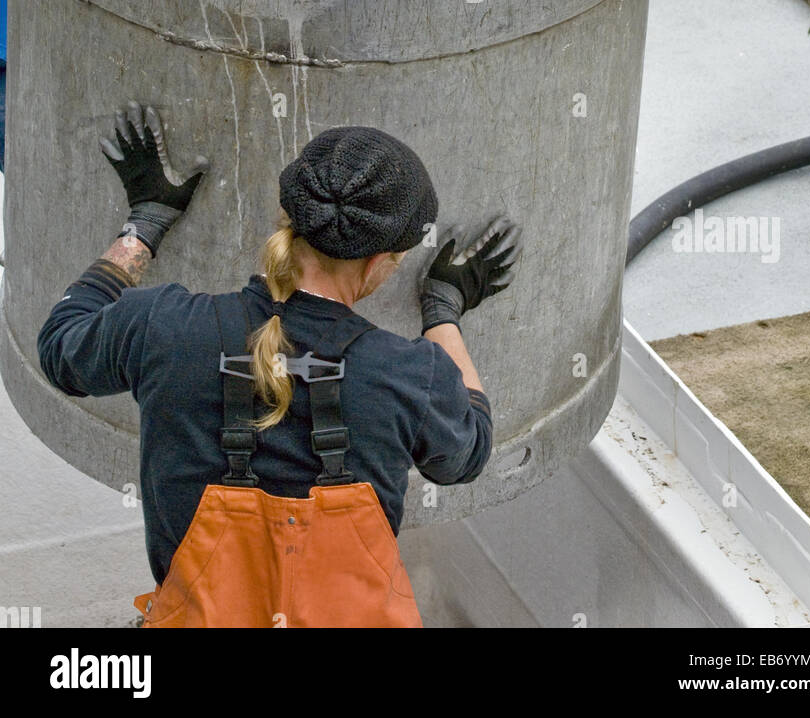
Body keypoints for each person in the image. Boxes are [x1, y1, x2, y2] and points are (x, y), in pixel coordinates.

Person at [38, 102, 521, 629]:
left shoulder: (164, 326)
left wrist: (145, 224)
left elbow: (61, 346)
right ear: (381, 263)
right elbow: (467, 454)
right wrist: (443, 311)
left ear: (287, 219)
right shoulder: (408, 375)